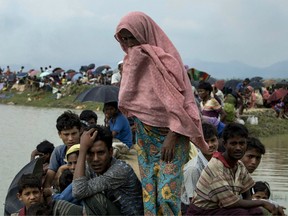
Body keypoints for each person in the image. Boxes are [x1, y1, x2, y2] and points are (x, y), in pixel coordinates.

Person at [114, 11, 208, 215]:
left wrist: (173, 135)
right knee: (150, 192)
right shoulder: (130, 61)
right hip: (145, 134)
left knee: (167, 193)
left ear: (144, 33)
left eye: (134, 37)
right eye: (125, 39)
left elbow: (180, 102)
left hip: (172, 134)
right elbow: (131, 100)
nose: (131, 44)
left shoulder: (165, 60)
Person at [187, 123, 282, 215]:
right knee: (241, 213)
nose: (238, 148)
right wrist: (263, 202)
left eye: (242, 143)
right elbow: (231, 204)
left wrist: (264, 207)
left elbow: (247, 194)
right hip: (203, 211)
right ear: (224, 144)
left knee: (257, 212)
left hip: (221, 210)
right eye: (233, 143)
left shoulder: (239, 165)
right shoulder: (215, 166)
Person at [72, 125, 144, 215]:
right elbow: (75, 189)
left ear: (110, 152)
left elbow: (79, 191)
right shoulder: (89, 166)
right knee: (60, 206)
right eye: (90, 153)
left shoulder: (119, 170)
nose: (95, 159)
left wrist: (82, 151)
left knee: (94, 198)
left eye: (100, 153)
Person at [181, 122, 219, 214]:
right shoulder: (193, 168)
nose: (210, 145)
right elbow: (193, 201)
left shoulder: (220, 161)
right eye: (205, 141)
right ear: (198, 143)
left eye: (213, 140)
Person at [43, 110, 81, 189]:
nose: (70, 139)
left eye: (74, 134)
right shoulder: (58, 151)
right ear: (60, 134)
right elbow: (49, 180)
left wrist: (62, 168)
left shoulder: (88, 150)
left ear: (79, 131)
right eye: (66, 134)